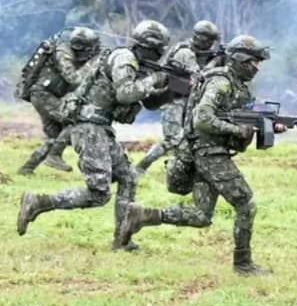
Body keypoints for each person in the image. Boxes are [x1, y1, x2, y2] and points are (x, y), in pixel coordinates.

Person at [116, 35, 282, 276]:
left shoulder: (236, 85)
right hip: (208, 154)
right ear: (239, 60)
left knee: (201, 215)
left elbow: (245, 111)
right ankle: (243, 264)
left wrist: (270, 123)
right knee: (246, 203)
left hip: (202, 153)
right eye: (254, 62)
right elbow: (202, 118)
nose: (257, 68)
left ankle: (141, 215)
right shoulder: (221, 82)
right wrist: (237, 130)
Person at [17, 20, 171, 249]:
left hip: (99, 127)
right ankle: (39, 202)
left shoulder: (132, 62)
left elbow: (143, 103)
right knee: (99, 194)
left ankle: (122, 239)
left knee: (128, 178)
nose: (161, 54)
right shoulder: (124, 59)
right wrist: (153, 80)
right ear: (153, 47)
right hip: (89, 128)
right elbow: (125, 94)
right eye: (160, 49)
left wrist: (169, 90)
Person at [135, 20, 224, 175]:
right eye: (210, 40)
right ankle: (141, 166)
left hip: (187, 101)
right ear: (203, 39)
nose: (211, 44)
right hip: (173, 100)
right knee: (173, 139)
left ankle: (175, 167)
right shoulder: (184, 52)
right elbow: (200, 76)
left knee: (189, 138)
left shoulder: (199, 53)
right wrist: (216, 61)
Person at [16, 27, 101, 174]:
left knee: (54, 137)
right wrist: (92, 64)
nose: (92, 51)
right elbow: (74, 79)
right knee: (77, 120)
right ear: (80, 46)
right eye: (90, 48)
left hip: (46, 96)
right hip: (43, 95)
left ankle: (27, 169)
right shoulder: (63, 53)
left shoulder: (73, 52)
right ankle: (54, 156)